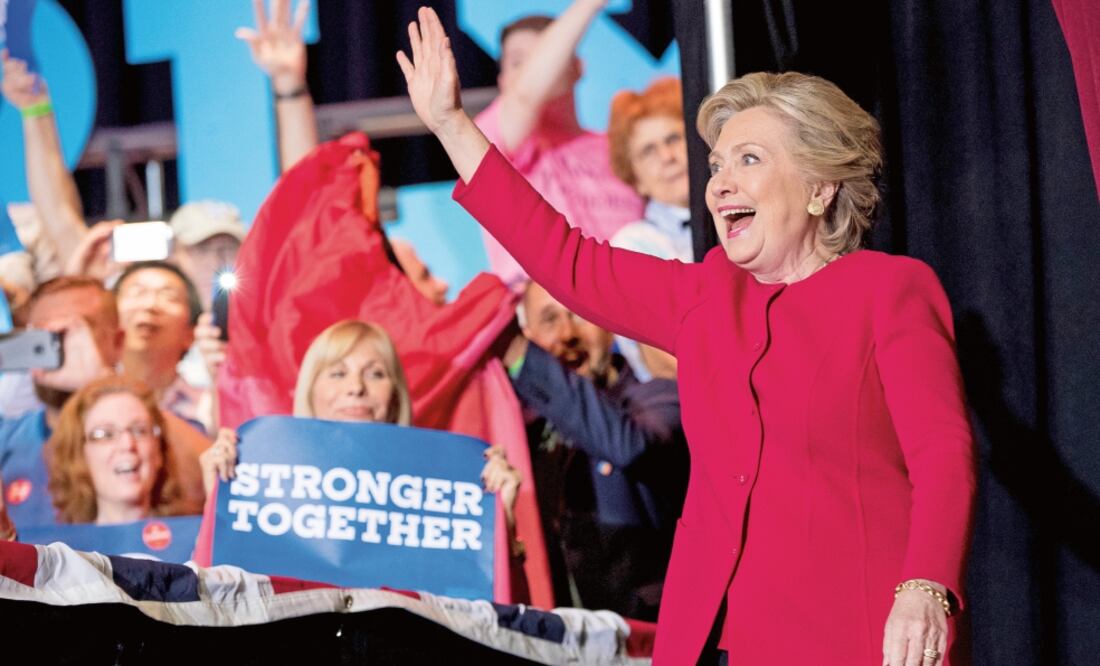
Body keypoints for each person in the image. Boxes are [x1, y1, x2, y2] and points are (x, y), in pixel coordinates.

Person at [398, 10, 976, 665]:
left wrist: (927, 585)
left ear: (820, 188)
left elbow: (942, 453)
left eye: (749, 160)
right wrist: (451, 123)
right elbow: (565, 259)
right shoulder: (706, 295)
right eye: (717, 165)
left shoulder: (888, 290)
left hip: (857, 630)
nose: (720, 182)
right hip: (709, 638)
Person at [201, 319, 521, 526]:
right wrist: (221, 497)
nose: (356, 388)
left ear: (395, 396)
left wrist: (498, 517)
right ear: (309, 390)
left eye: (375, 374)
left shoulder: (439, 485)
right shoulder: (267, 481)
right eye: (338, 373)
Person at [503, 281, 686, 620]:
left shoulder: (660, 400)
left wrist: (521, 356)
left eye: (578, 314)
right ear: (530, 334)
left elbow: (631, 446)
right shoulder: (517, 432)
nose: (567, 334)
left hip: (651, 629)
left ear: (609, 325)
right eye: (549, 319)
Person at [0, 277, 208, 527]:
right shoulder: (7, 437)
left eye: (72, 333)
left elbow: (213, 480)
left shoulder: (158, 430)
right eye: (44, 335)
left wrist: (101, 380)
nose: (59, 347)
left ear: (118, 342)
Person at [473, 0, 643, 287]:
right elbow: (525, 95)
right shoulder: (493, 138)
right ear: (503, 80)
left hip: (630, 300)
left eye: (546, 52)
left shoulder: (620, 147)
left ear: (578, 67)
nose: (534, 69)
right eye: (518, 62)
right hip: (546, 306)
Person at [0, 375, 194, 539]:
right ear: (80, 456)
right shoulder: (59, 556)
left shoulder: (194, 545)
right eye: (105, 434)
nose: (127, 444)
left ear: (159, 451)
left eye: (140, 430)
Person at [607, 77, 692, 381]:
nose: (668, 157)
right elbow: (664, 362)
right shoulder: (633, 247)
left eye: (673, 139)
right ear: (636, 179)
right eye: (648, 151)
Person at [112, 261, 208, 431]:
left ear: (191, 332)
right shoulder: (90, 402)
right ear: (110, 319)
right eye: (136, 292)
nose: (150, 305)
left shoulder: (210, 409)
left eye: (169, 296)